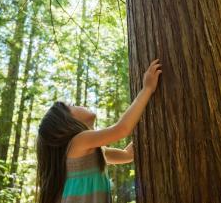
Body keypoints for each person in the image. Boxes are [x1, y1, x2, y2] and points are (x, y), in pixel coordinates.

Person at [36, 58, 162, 203]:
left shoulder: (93, 152)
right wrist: (147, 88)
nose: (79, 104)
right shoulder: (78, 141)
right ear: (66, 122)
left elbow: (128, 155)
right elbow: (121, 130)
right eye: (73, 105)